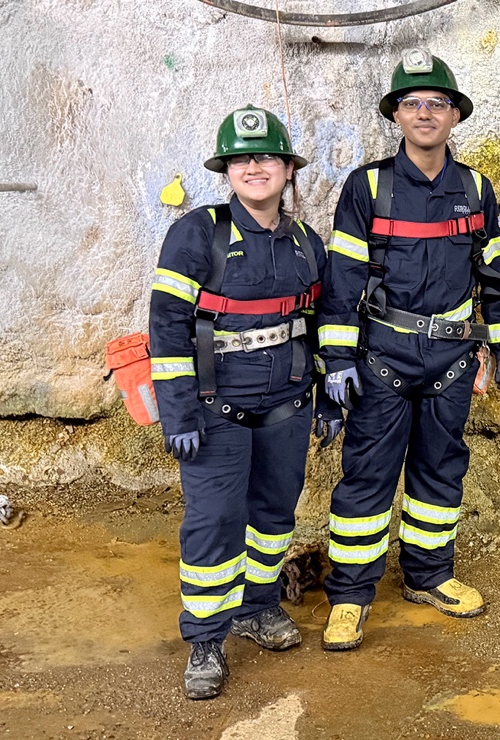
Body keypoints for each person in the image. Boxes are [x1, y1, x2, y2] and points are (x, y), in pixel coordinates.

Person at [316, 48, 500, 650]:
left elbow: (497, 270)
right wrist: (339, 359)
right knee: (367, 478)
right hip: (383, 359)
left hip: (453, 361)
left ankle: (429, 576)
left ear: (455, 116)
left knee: (440, 470)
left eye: (437, 103)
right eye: (413, 103)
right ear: (397, 115)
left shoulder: (476, 189)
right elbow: (342, 281)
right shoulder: (368, 187)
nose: (425, 113)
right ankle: (351, 596)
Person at [149, 105, 339, 699]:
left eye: (266, 157)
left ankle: (257, 608)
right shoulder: (196, 233)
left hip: (286, 409)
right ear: (227, 170)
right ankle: (206, 638)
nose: (254, 167)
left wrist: (329, 398)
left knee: (273, 518)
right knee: (213, 522)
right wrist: (178, 412)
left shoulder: (308, 242)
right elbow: (167, 327)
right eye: (241, 159)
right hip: (214, 413)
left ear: (287, 169)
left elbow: (322, 321)